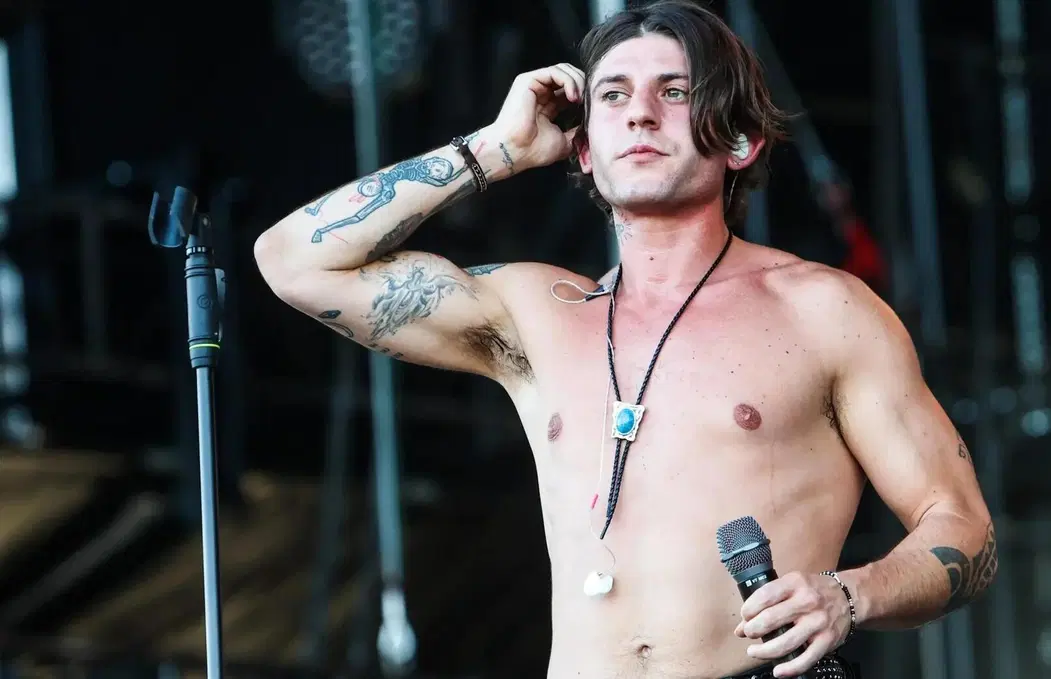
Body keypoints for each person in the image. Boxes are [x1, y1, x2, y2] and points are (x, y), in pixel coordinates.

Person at [254, 1, 997, 677]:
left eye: (674, 92)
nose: (639, 113)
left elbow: (964, 527)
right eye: (611, 95)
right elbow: (292, 261)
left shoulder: (825, 310)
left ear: (738, 139)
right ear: (584, 149)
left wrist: (850, 594)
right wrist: (494, 149)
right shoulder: (532, 312)